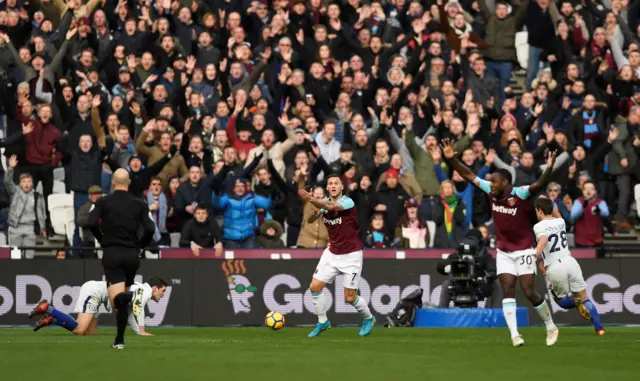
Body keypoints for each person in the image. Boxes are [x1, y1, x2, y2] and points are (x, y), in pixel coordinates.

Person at [441, 139, 558, 347]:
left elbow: (539, 184)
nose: (490, 186)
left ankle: (550, 325)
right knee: (508, 289)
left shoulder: (520, 193)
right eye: (490, 183)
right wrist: (451, 159)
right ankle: (514, 335)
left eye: (494, 183)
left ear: (505, 183)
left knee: (530, 292)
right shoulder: (490, 190)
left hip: (524, 249)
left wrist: (549, 168)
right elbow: (468, 175)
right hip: (504, 251)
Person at [86, 168, 156, 349]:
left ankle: (120, 336)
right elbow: (150, 228)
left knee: (115, 301)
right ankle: (119, 340)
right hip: (132, 254)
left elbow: (91, 222)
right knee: (121, 300)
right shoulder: (140, 203)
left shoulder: (103, 201)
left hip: (113, 253)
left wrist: (102, 239)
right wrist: (141, 245)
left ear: (113, 183)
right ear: (129, 182)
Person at [298, 174, 375, 337]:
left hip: (351, 255)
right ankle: (322, 321)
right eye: (330, 183)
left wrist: (314, 200)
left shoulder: (348, 202)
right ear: (327, 187)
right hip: (332, 253)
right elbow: (311, 219)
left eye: (336, 183)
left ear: (342, 187)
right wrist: (312, 203)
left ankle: (368, 318)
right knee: (314, 287)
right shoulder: (323, 203)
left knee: (350, 297)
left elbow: (333, 208)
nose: (333, 186)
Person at [533, 197, 605, 335]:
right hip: (570, 262)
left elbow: (543, 239)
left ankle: (575, 302)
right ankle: (599, 328)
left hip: (555, 266)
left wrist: (536, 253)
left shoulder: (538, 226)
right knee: (585, 297)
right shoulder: (560, 221)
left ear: (539, 211)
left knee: (561, 301)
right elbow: (557, 214)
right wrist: (549, 203)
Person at [28, 277, 168, 336]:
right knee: (79, 330)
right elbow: (138, 307)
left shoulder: (140, 289)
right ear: (155, 288)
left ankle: (53, 319)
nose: (163, 295)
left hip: (98, 294)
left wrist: (139, 332)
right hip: (94, 292)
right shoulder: (145, 291)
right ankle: (49, 309)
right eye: (163, 291)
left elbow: (131, 313)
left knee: (90, 334)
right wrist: (142, 330)